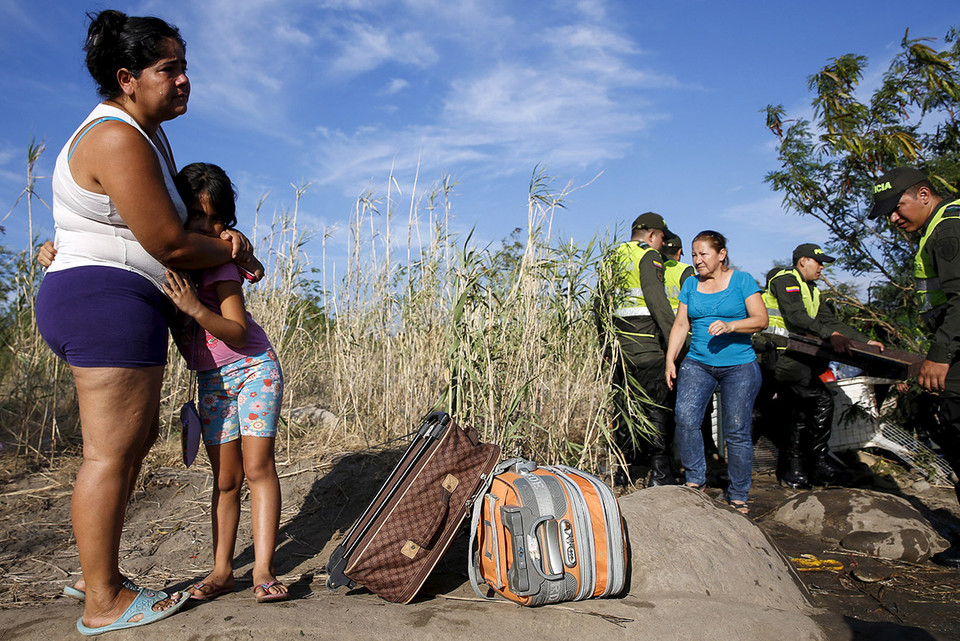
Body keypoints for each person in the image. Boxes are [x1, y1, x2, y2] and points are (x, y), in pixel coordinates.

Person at [34, 10, 262, 635]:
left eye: (185, 66)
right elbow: (170, 242)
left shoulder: (146, 134)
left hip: (111, 301)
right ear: (127, 77)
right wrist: (234, 251)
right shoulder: (116, 137)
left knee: (126, 450)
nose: (185, 80)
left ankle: (95, 572)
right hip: (103, 301)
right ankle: (101, 602)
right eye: (171, 69)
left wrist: (223, 237)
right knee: (109, 454)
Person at [163, 163, 289, 603]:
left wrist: (195, 308)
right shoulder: (173, 266)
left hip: (254, 368)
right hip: (212, 381)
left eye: (219, 220)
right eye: (199, 218)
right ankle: (221, 572)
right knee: (225, 480)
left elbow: (236, 332)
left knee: (257, 469)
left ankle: (263, 570)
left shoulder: (219, 266)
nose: (212, 229)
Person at [869, 166, 960, 567]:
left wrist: (939, 356)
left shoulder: (948, 230)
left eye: (897, 206)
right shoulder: (937, 229)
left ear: (924, 194)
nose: (893, 217)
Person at [760, 244, 882, 488]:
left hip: (795, 358)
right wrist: (830, 335)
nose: (822, 267)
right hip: (777, 357)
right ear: (803, 261)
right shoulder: (787, 280)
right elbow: (796, 317)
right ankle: (813, 465)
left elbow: (830, 321)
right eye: (818, 262)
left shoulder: (813, 291)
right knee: (819, 400)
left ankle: (803, 468)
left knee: (802, 409)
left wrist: (864, 341)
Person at [665, 231, 768, 514]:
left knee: (735, 431)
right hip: (698, 363)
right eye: (694, 254)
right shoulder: (690, 284)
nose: (697, 260)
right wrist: (670, 359)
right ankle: (696, 481)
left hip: (739, 366)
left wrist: (731, 325)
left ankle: (738, 496)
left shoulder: (742, 281)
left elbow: (761, 320)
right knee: (686, 419)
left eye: (703, 254)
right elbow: (680, 325)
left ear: (721, 254)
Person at [611, 212, 677, 486]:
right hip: (648, 347)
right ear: (651, 235)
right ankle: (660, 475)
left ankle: (626, 474)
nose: (663, 244)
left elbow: (598, 306)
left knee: (625, 412)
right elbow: (657, 301)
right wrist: (676, 342)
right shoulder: (648, 255)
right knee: (656, 409)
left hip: (620, 352)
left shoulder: (611, 257)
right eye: (662, 238)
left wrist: (608, 344)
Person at [662, 232, 721, 466]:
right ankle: (706, 455)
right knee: (698, 408)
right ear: (679, 253)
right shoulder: (687, 273)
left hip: (659, 346)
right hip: (687, 348)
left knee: (672, 408)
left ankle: (672, 459)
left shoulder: (653, 268)